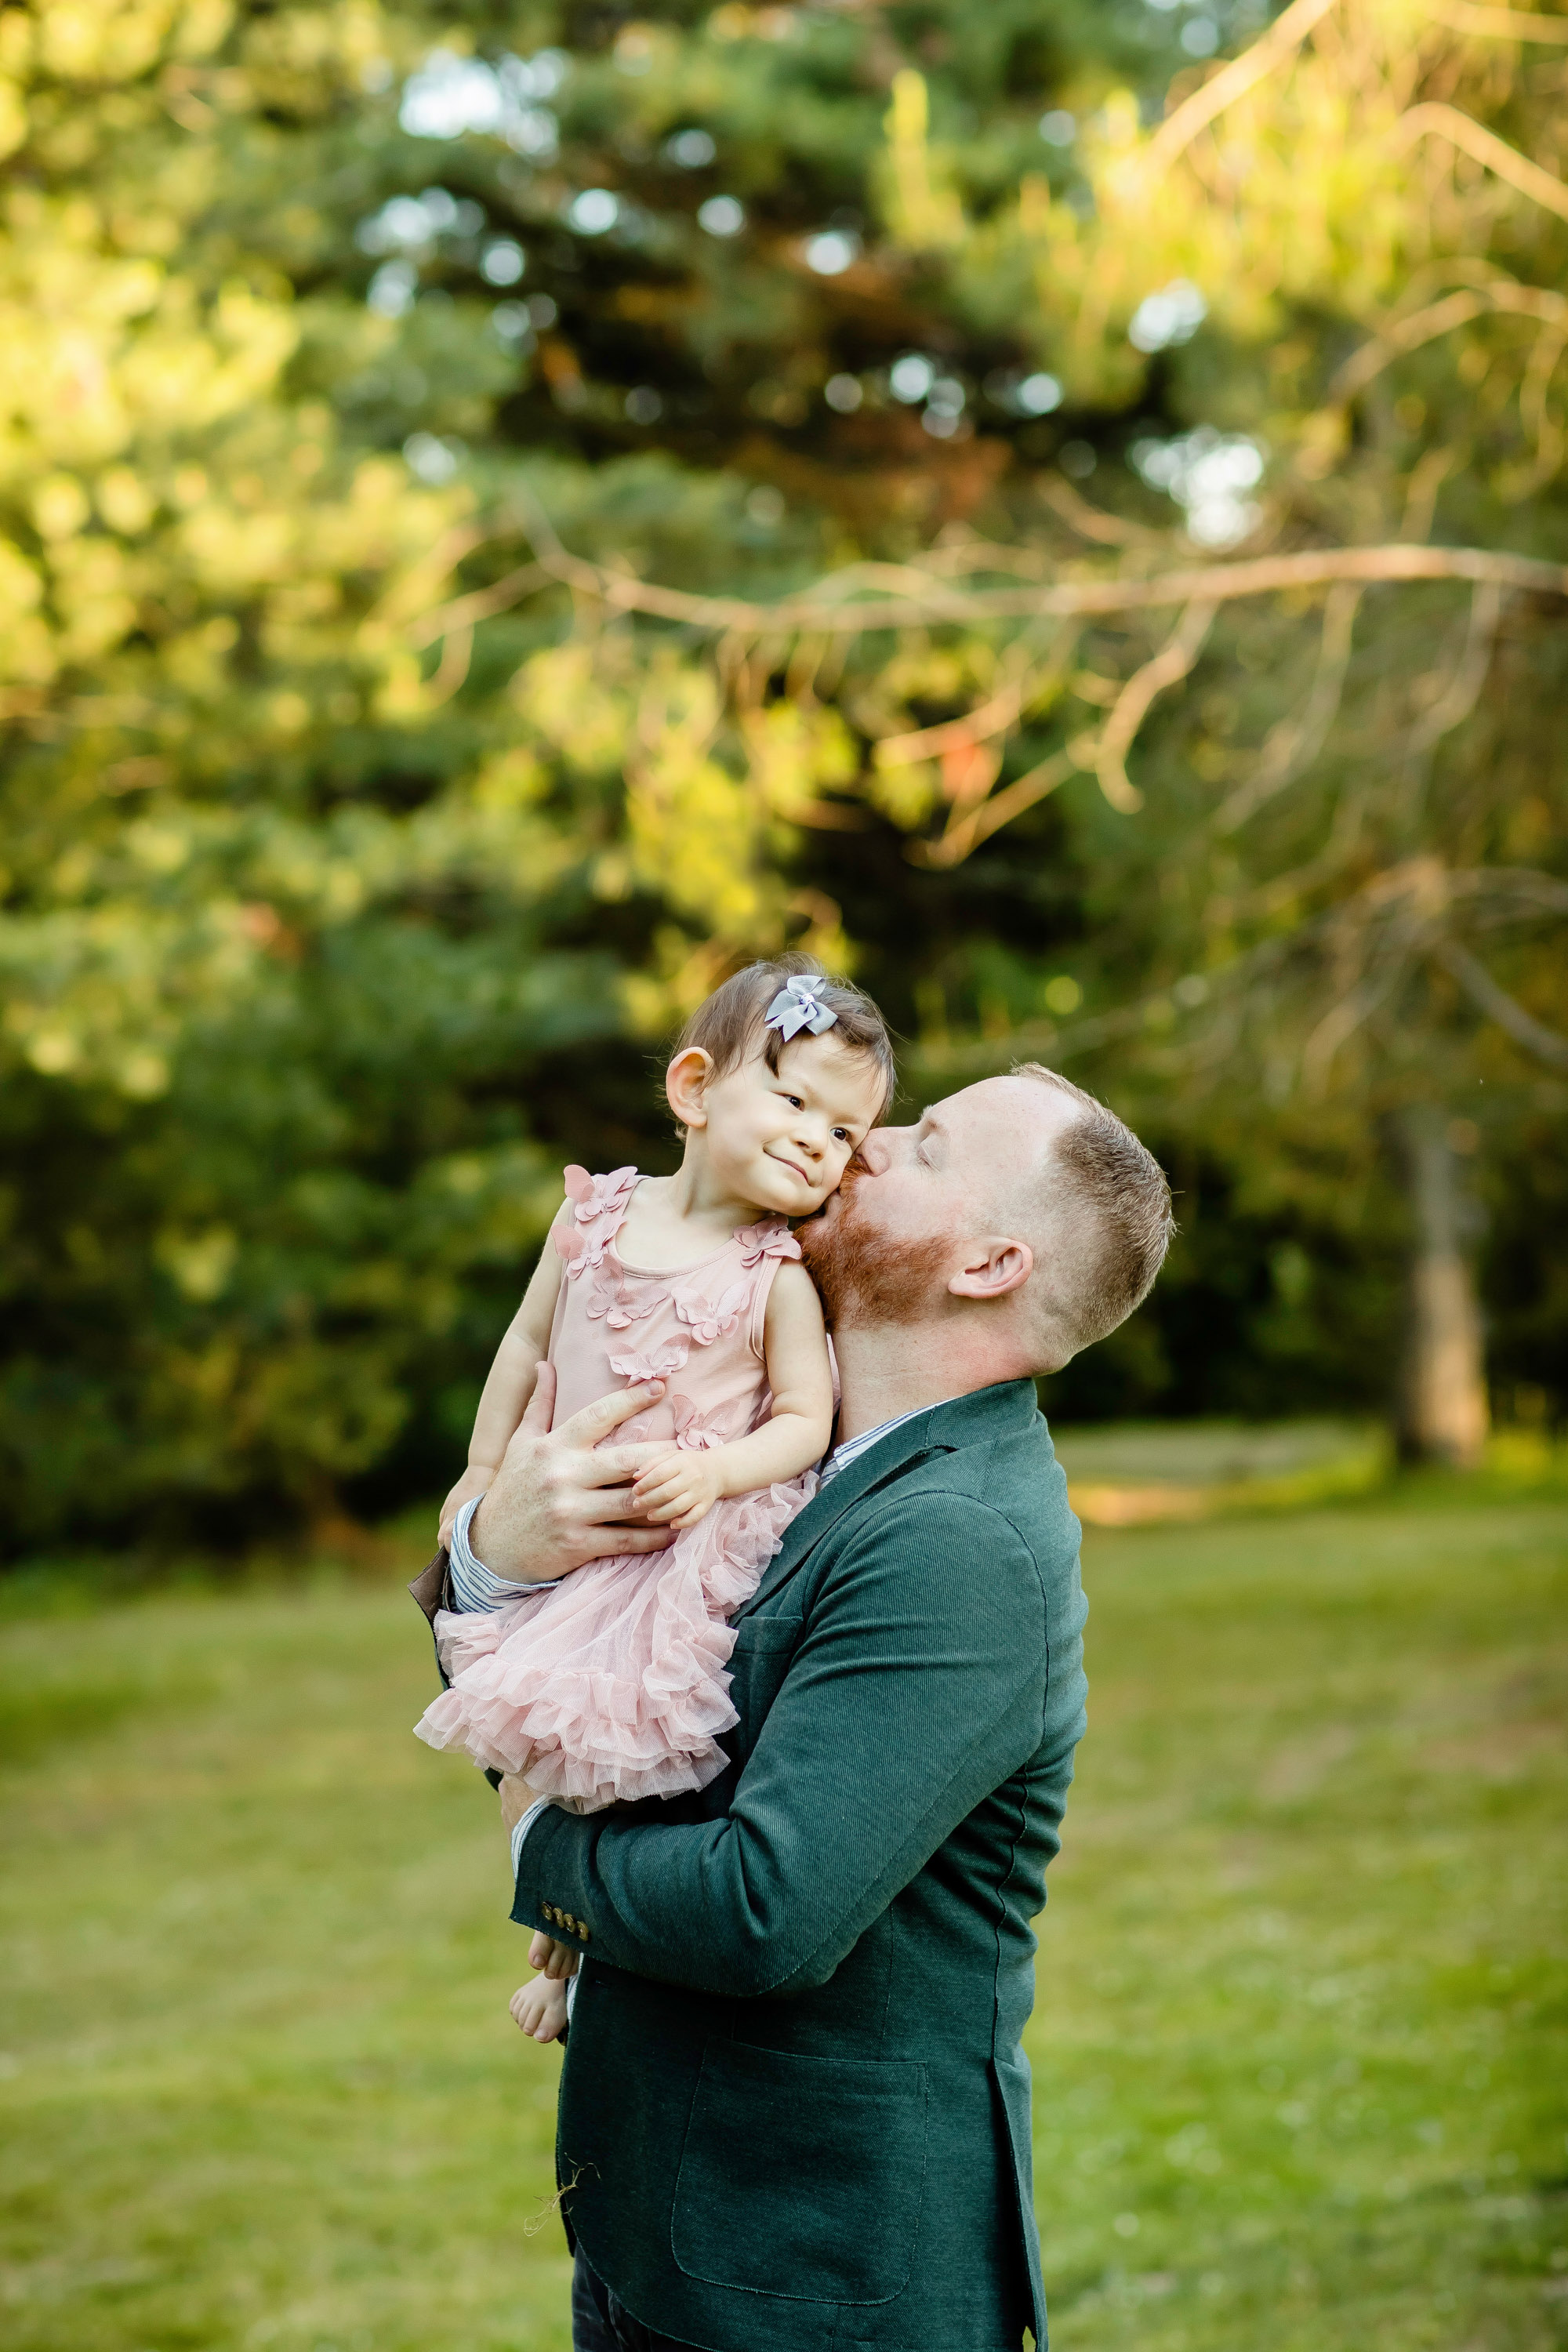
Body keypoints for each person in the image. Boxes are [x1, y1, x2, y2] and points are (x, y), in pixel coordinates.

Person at [410, 1058, 1174, 2352]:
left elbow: (765, 1908)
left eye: (924, 1146)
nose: (864, 1139)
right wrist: (496, 1554)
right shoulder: (758, 1441)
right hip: (659, 2231)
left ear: (988, 1264)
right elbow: (560, 1687)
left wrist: (541, 1843)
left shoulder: (958, 1545)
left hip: (811, 2280)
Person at [415, 956, 895, 2039]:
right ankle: (558, 1941)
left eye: (847, 1133)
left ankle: (575, 1964)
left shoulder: (775, 1274)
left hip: (678, 1546)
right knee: (550, 1764)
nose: (821, 1138)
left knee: (645, 1785)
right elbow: (528, 1341)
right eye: (794, 1099)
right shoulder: (594, 1218)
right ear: (693, 1090)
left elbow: (804, 1421)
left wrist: (717, 1472)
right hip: (568, 1538)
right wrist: (485, 1470)